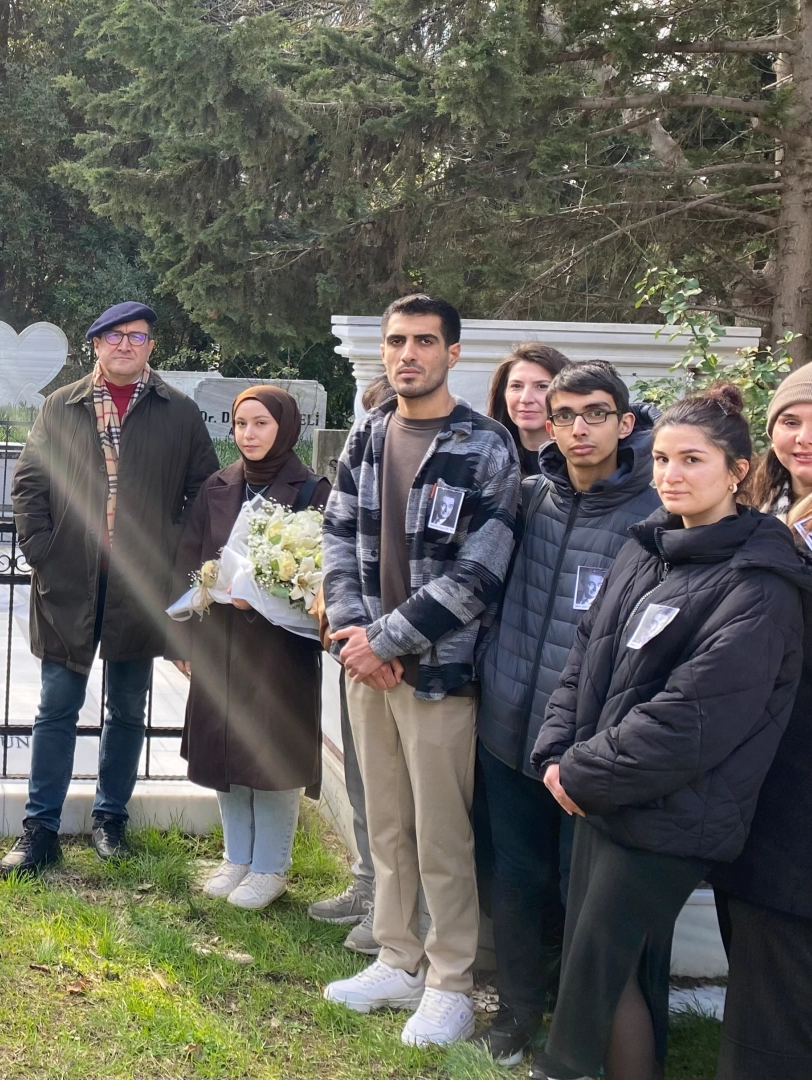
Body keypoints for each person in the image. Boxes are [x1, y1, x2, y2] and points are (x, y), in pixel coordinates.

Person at [529, 384, 812, 1080]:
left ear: (738, 471)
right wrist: (556, 754)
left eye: (692, 460)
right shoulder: (648, 546)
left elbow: (696, 717)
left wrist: (583, 772)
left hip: (673, 814)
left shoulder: (762, 583)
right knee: (599, 973)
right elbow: (585, 653)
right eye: (661, 459)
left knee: (594, 982)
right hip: (603, 794)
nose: (671, 476)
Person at [319, 294, 519, 1047]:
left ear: (453, 353)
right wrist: (352, 633)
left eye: (424, 342)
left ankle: (450, 981)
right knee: (389, 828)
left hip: (437, 676)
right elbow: (337, 532)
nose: (407, 354)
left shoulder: (486, 447)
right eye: (397, 341)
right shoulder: (368, 434)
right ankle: (397, 957)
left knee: (441, 836)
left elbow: (479, 574)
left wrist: (388, 642)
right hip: (366, 668)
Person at [472, 361, 661, 1064]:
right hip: (507, 727)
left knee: (582, 894)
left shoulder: (652, 515)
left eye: (596, 414)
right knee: (516, 882)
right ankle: (516, 1013)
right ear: (547, 425)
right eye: (567, 416)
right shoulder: (527, 496)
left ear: (624, 423)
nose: (580, 429)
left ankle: (582, 1030)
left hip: (588, 746)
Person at [3, 300, 217, 876]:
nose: (126, 345)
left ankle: (110, 817)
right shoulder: (61, 405)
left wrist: (174, 563)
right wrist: (44, 553)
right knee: (57, 706)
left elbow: (205, 495)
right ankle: (40, 827)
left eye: (138, 336)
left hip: (139, 585)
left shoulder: (179, 412)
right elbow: (28, 483)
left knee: (127, 708)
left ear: (151, 347)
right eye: (114, 336)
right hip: (70, 580)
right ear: (95, 344)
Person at [710, 354, 812, 1080]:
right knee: (752, 943)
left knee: (780, 951)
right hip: (756, 767)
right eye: (791, 420)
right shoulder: (774, 514)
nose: (804, 437)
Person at [176, 386, 329, 909]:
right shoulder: (218, 486)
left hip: (278, 650)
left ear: (284, 427)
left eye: (261, 423)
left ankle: (271, 868)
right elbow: (190, 557)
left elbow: (319, 570)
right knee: (225, 751)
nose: (249, 434)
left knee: (270, 755)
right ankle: (236, 858)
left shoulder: (311, 491)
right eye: (241, 424)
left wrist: (265, 594)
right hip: (221, 641)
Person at [308, 373, 395, 951]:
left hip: (410, 650)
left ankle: (396, 908)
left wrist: (388, 640)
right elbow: (339, 545)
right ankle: (368, 882)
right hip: (355, 644)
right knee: (363, 776)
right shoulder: (357, 472)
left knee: (402, 795)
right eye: (369, 418)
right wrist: (348, 631)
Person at [488, 343, 569, 477]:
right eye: (517, 386)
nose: (526, 399)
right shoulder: (484, 459)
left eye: (542, 386)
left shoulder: (582, 464)